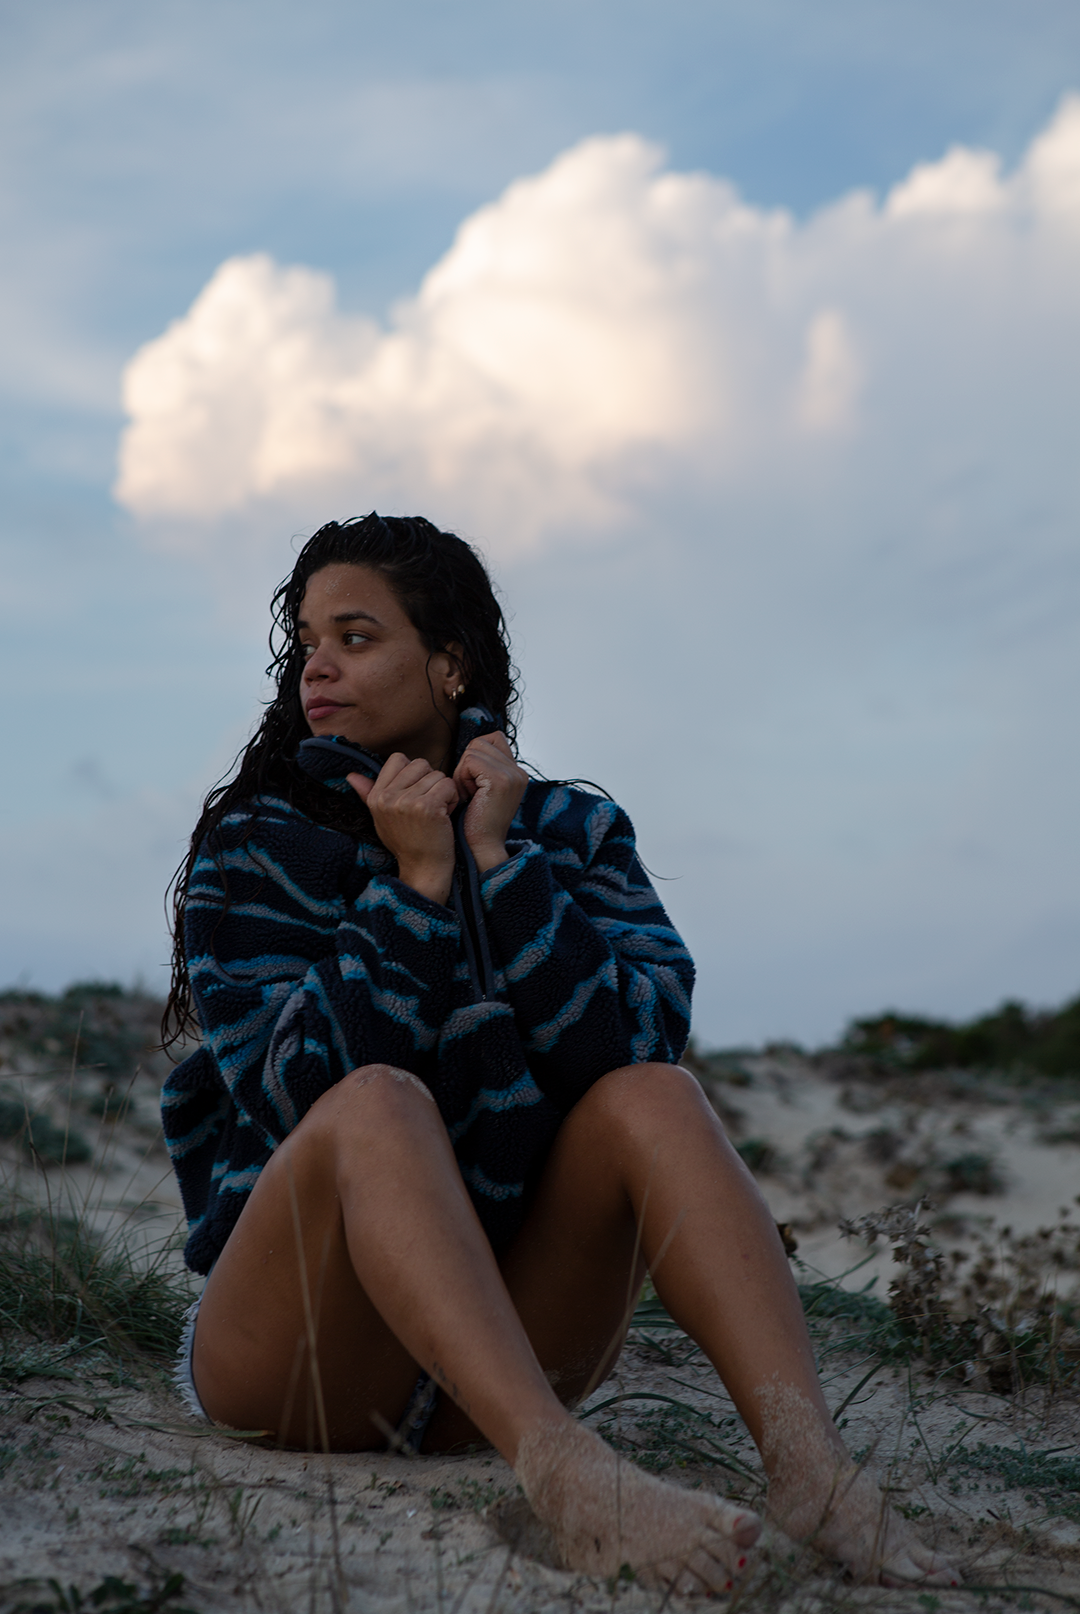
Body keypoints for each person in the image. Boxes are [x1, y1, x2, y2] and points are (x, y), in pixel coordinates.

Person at [162, 513, 959, 1595]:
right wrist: (416, 885)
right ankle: (568, 1475)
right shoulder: (255, 848)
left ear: (449, 666)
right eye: (307, 640)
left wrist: (496, 856)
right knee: (378, 1101)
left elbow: (631, 1040)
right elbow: (296, 1092)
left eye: (356, 636)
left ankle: (810, 1467)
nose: (318, 665)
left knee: (655, 1096)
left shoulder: (571, 833)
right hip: (303, 1360)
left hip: (492, 1358)